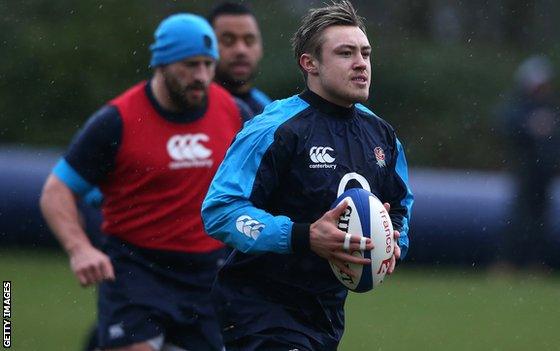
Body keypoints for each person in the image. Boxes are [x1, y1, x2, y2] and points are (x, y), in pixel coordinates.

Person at [201, 1, 413, 350]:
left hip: (325, 311)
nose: (361, 63)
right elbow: (220, 211)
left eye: (365, 53)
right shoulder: (275, 129)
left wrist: (394, 244)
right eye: (345, 53)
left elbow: (401, 203)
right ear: (309, 63)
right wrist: (303, 236)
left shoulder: (381, 135)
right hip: (259, 306)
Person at [39, 13, 242, 351]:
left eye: (209, 65)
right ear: (161, 62)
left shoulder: (233, 111)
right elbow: (55, 191)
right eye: (191, 65)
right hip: (137, 270)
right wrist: (79, 249)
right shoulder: (116, 120)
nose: (202, 77)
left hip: (208, 275)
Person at [495, 55, 560, 270]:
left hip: (544, 173)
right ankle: (509, 261)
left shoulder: (552, 107)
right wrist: (530, 126)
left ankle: (536, 262)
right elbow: (506, 124)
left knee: (540, 219)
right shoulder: (520, 107)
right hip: (525, 171)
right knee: (518, 217)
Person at [208, 2, 272, 117]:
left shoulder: (268, 110)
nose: (240, 50)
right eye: (228, 40)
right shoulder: (191, 108)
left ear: (261, 47)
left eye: (249, 40)